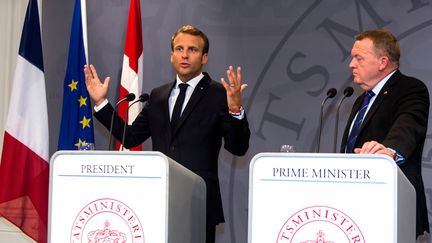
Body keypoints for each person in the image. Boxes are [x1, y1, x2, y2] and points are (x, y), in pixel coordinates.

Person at [84, 25, 250, 243]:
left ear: (204, 57)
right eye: (179, 49)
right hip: (159, 200)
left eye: (192, 49)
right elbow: (130, 137)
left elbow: (237, 147)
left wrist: (235, 110)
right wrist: (101, 103)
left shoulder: (220, 94)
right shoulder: (158, 95)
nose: (184, 55)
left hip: (198, 204)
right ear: (171, 55)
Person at [340, 28, 430, 241]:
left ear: (382, 62)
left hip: (392, 208)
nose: (351, 64)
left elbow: (408, 126)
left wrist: (388, 151)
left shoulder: (410, 89)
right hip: (352, 212)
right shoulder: (361, 101)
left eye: (358, 58)